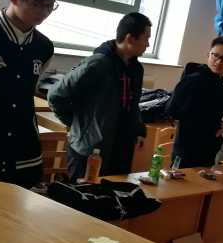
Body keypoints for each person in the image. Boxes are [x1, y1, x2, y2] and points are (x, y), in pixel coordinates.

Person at [48, 12, 151, 180]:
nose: (148, 44)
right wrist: (77, 124)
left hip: (120, 150)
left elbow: (132, 104)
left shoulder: (136, 69)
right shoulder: (97, 64)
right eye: (146, 38)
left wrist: (139, 129)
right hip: (89, 150)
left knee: (113, 194)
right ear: (130, 38)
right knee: (82, 195)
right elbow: (56, 95)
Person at [0, 0, 58, 188]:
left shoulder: (44, 47)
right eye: (37, 4)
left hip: (24, 152)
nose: (44, 12)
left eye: (50, 5)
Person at [166, 36, 223, 168]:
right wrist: (203, 122)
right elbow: (172, 111)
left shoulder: (219, 83)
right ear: (208, 55)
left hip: (207, 149)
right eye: (215, 55)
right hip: (187, 149)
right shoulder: (193, 80)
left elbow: (213, 114)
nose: (218, 61)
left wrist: (220, 124)